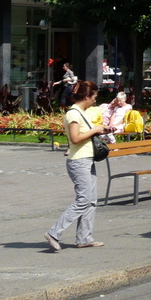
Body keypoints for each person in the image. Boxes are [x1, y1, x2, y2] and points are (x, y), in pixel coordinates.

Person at [45, 81, 111, 252]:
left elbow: (85, 134)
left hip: (87, 159)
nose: (95, 101)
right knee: (83, 200)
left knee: (91, 201)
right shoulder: (73, 114)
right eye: (94, 97)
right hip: (79, 161)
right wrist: (95, 130)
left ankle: (84, 238)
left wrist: (102, 130)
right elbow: (75, 138)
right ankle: (53, 233)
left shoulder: (82, 113)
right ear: (87, 96)